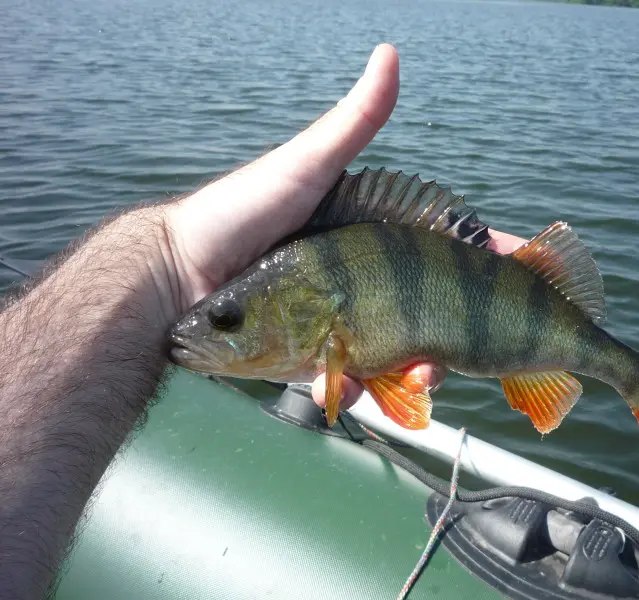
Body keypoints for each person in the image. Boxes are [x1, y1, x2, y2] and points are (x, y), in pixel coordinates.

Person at [0, 44, 525, 599]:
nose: (200, 331)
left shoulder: (306, 271)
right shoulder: (292, 271)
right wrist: (168, 259)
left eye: (228, 319)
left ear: (307, 308)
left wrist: (170, 259)